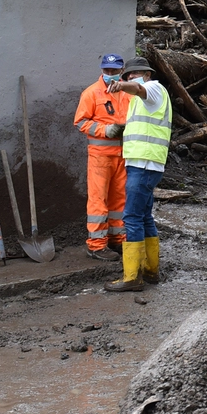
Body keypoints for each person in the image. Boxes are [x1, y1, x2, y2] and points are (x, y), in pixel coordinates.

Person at [103, 56, 172, 292]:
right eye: (127, 75)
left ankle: (132, 277)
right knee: (144, 217)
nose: (130, 78)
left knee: (131, 216)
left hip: (144, 164)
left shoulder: (152, 88)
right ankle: (151, 272)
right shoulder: (143, 99)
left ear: (147, 74)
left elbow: (140, 89)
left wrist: (122, 85)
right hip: (146, 163)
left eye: (134, 74)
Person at [73, 54, 130, 261]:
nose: (110, 74)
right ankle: (96, 245)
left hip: (123, 155)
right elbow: (80, 122)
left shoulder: (127, 92)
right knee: (99, 200)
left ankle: (118, 239)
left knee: (119, 199)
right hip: (100, 157)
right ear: (101, 70)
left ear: (121, 70)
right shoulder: (91, 93)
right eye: (107, 71)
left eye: (114, 71)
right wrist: (107, 130)